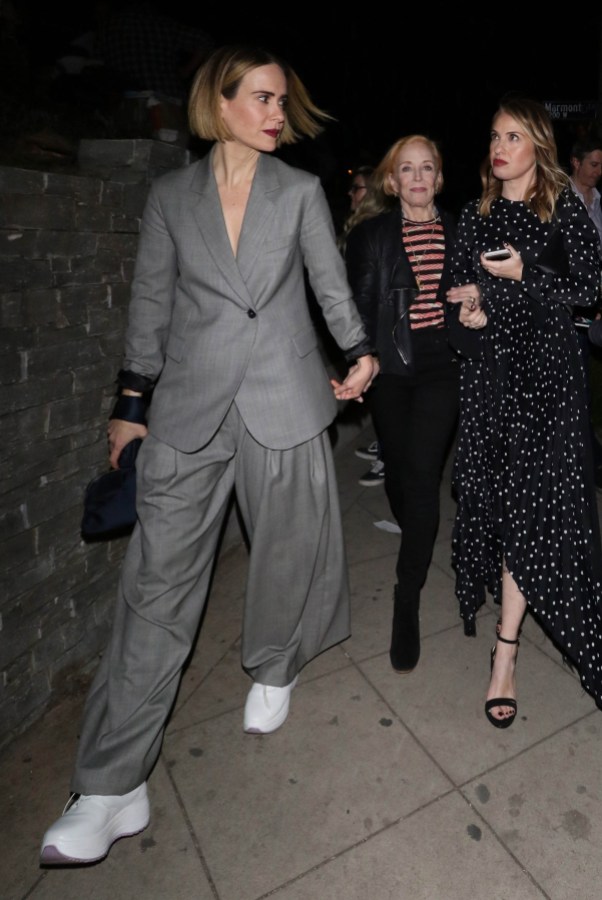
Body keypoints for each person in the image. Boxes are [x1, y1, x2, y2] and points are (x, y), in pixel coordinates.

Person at [39, 44, 378, 865]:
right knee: (155, 585)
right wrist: (130, 408)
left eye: (280, 101)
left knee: (287, 552)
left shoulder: (298, 192)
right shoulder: (169, 198)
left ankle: (273, 662)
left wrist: (359, 350)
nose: (276, 114)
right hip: (190, 408)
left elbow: (328, 282)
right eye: (260, 98)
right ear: (217, 103)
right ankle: (112, 784)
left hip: (285, 398)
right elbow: (151, 303)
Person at [447, 96, 602, 729]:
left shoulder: (562, 206)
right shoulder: (475, 213)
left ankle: (505, 654)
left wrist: (524, 277)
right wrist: (472, 309)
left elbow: (590, 285)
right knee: (511, 509)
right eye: (494, 136)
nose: (500, 147)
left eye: (513, 136)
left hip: (552, 383)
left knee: (537, 508)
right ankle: (507, 640)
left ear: (537, 144)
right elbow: (455, 293)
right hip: (495, 382)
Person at [345, 135, 460, 673]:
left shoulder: (464, 230)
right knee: (400, 472)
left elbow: (486, 294)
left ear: (438, 178)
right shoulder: (372, 236)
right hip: (392, 370)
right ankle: (411, 523)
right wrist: (362, 360)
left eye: (427, 168)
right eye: (406, 170)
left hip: (443, 367)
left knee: (420, 476)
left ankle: (405, 596)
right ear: (392, 182)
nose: (417, 178)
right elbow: (362, 309)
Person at [568, 137, 602, 487]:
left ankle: (588, 459)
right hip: (570, 307)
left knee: (583, 392)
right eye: (593, 164)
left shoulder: (599, 203)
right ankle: (585, 462)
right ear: (575, 163)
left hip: (594, 306)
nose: (598, 172)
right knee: (575, 390)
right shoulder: (561, 200)